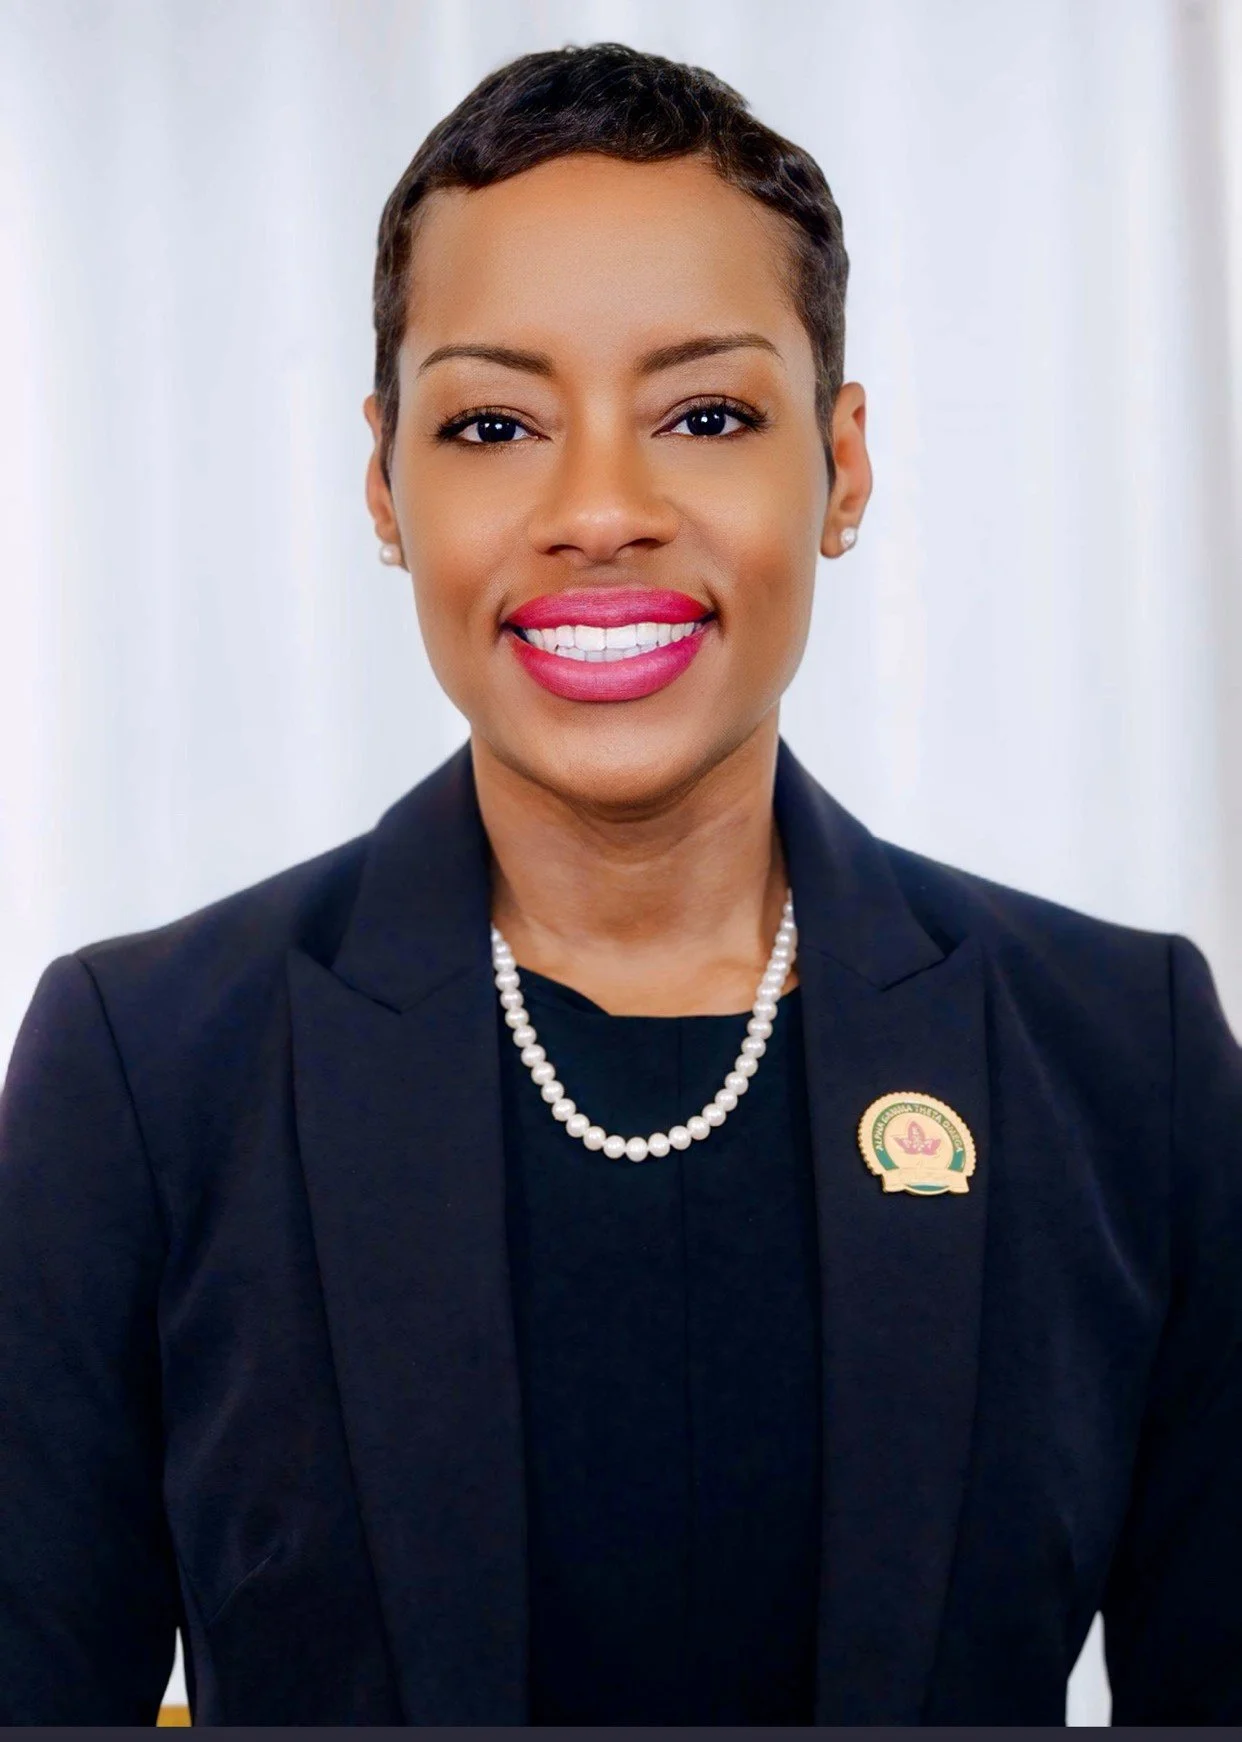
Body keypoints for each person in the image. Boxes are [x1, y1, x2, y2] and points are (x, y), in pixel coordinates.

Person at [1, 41, 1239, 1727]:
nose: (599, 510)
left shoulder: (1122, 1058)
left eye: (706, 416)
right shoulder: (148, 1067)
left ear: (842, 464)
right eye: (493, 423)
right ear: (384, 482)